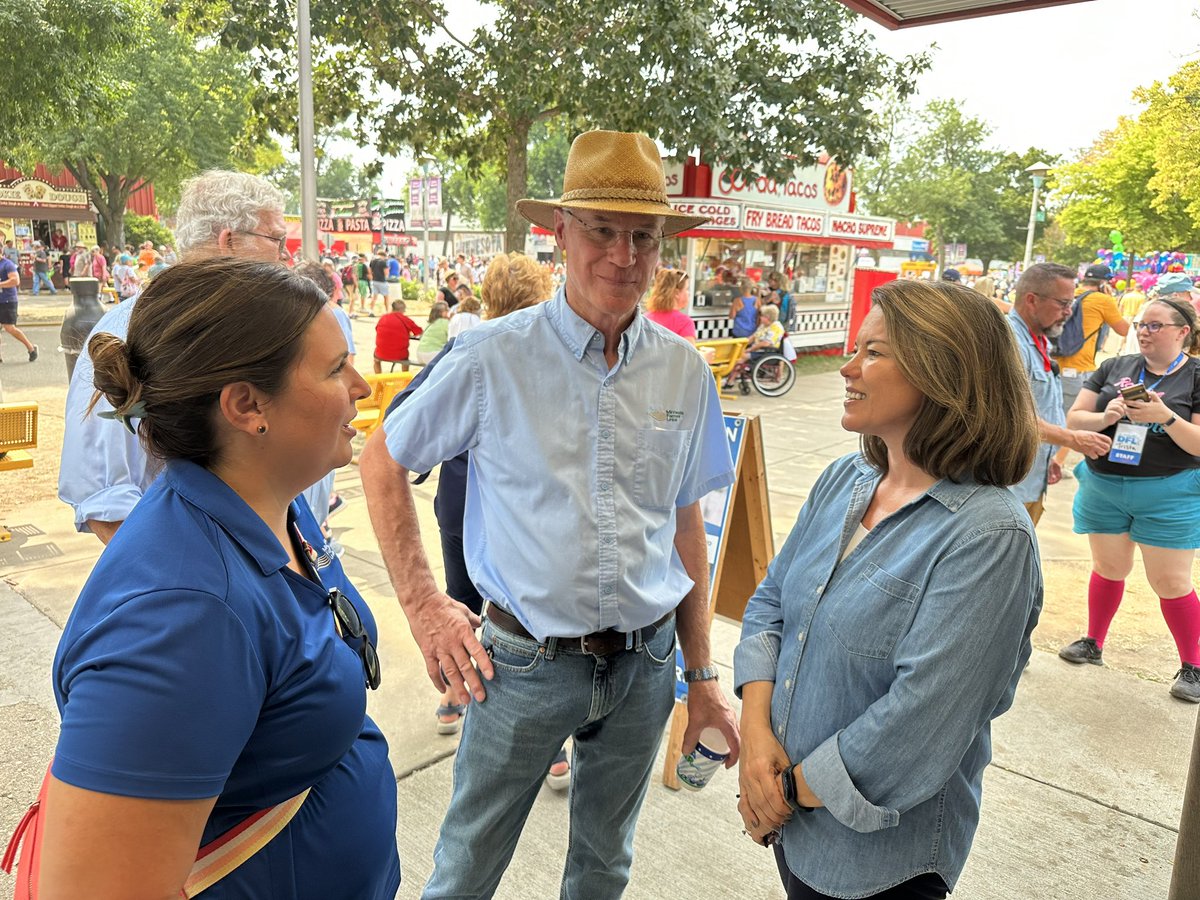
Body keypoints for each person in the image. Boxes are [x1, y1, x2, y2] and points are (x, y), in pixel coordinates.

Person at [359, 129, 737, 898]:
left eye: (643, 236)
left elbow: (684, 523)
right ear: (560, 234)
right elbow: (382, 459)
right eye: (601, 229)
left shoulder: (683, 369)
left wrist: (701, 677)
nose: (623, 255)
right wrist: (428, 607)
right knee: (465, 870)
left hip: (645, 663)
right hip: (521, 662)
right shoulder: (491, 356)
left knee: (604, 867)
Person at [40, 258, 399, 899]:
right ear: (247, 405)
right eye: (333, 366)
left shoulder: (269, 508)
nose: (362, 385)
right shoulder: (182, 618)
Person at [736, 278, 1042, 900]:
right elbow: (771, 603)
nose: (848, 367)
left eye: (874, 353)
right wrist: (756, 738)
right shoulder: (846, 478)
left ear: (943, 373)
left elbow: (920, 720)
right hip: (793, 823)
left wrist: (782, 791)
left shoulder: (987, 536)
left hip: (879, 862)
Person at [59, 169, 290, 544]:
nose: (285, 257)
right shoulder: (128, 329)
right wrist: (186, 582)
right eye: (276, 240)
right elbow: (106, 502)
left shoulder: (248, 327)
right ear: (229, 240)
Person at [1058, 294, 1200, 702]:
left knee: (1170, 581)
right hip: (1104, 485)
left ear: (1182, 332)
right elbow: (1075, 418)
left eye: (1155, 325)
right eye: (1141, 323)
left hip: (1170, 492)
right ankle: (1093, 642)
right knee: (1108, 567)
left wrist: (1166, 417)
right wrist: (1106, 417)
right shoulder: (1114, 367)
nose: (1143, 331)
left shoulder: (1195, 375)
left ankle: (1193, 666)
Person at [1006, 264, 1112, 525]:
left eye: (1071, 304)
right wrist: (1072, 439)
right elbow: (1012, 419)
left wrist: (1048, 456)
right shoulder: (1011, 344)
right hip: (1007, 489)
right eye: (1063, 304)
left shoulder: (1038, 338)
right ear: (1032, 300)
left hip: (1028, 480)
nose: (1069, 312)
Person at [1052, 264, 1130, 473]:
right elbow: (1124, 330)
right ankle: (1056, 463)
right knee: (1072, 420)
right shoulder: (1102, 300)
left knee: (1050, 416)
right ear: (1104, 283)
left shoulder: (1068, 294)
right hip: (1078, 369)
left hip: (1052, 365)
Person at [0, 247, 38, 362]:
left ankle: (31, 348)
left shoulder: (7, 264)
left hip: (7, 300)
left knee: (9, 328)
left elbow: (15, 281)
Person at [644, 267, 697, 342]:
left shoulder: (645, 318)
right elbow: (688, 353)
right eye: (686, 289)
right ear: (676, 293)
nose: (689, 293)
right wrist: (704, 354)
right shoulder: (684, 322)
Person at [374, 299, 423, 372]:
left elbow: (377, 329)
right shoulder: (405, 319)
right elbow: (419, 332)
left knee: (376, 360)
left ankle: (378, 378)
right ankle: (405, 377)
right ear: (402, 309)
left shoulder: (383, 318)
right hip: (400, 355)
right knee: (405, 359)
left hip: (381, 353)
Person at [368, 249, 389, 316]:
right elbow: (386, 272)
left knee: (374, 297)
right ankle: (387, 311)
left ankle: (371, 311)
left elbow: (370, 270)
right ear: (383, 255)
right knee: (386, 297)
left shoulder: (372, 261)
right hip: (382, 281)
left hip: (374, 281)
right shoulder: (383, 262)